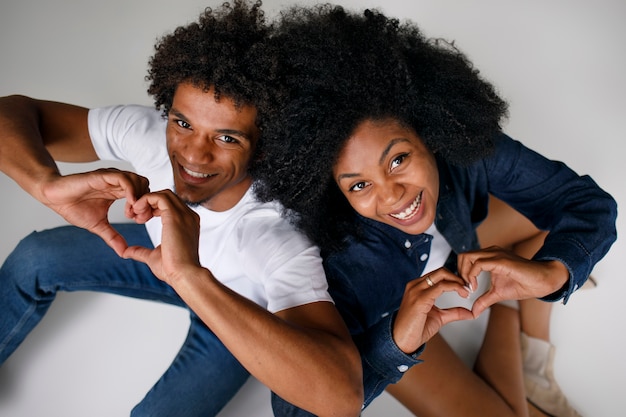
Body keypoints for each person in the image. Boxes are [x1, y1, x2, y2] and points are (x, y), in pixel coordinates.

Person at [0, 2, 363, 416]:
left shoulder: (272, 232)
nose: (192, 154)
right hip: (157, 257)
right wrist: (47, 185)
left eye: (227, 138)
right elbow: (9, 112)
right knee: (36, 259)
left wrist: (186, 274)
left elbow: (341, 396)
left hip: (229, 310)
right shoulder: (150, 135)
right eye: (184, 123)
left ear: (266, 146)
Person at [253, 4, 618, 417]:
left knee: (550, 234)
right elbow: (295, 409)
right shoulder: (347, 274)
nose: (392, 196)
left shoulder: (465, 152)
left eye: (397, 160)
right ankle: (513, 321)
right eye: (359, 184)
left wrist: (553, 273)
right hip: (396, 316)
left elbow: (586, 203)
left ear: (427, 132)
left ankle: (527, 349)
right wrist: (397, 342)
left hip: (455, 246)